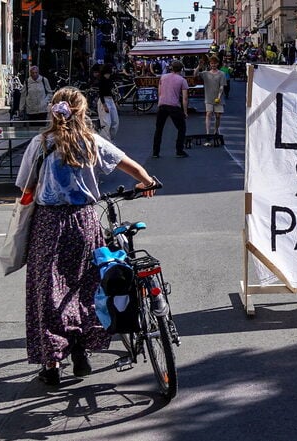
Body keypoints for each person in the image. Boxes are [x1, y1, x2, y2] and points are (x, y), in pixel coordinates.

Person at [15, 86, 158, 386]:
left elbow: (25, 188)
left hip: (48, 226)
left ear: (53, 111)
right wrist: (146, 181)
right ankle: (81, 351)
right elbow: (127, 163)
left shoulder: (39, 144)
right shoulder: (91, 142)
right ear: (82, 112)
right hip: (84, 222)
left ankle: (52, 364)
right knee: (86, 286)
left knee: (48, 292)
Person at [152, 60, 189, 158]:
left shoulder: (163, 77)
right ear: (181, 70)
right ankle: (179, 150)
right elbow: (185, 98)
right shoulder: (182, 80)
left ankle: (155, 152)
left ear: (171, 68)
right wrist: (185, 112)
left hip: (162, 104)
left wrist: (159, 103)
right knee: (181, 128)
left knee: (159, 129)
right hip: (174, 106)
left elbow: (159, 92)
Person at [195, 56, 226, 140]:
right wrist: (199, 66)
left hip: (218, 98)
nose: (213, 65)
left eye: (215, 63)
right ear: (209, 64)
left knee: (218, 116)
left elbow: (222, 86)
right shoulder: (205, 73)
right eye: (212, 63)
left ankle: (216, 130)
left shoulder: (221, 74)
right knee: (208, 113)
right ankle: (208, 133)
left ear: (217, 64)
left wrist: (219, 96)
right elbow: (195, 74)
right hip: (208, 98)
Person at [97, 64, 119, 141]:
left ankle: (110, 139)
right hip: (104, 101)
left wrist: (115, 101)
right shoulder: (101, 80)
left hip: (111, 100)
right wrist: (104, 105)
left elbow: (112, 91)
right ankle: (106, 141)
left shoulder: (110, 80)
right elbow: (100, 93)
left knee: (115, 122)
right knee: (106, 123)